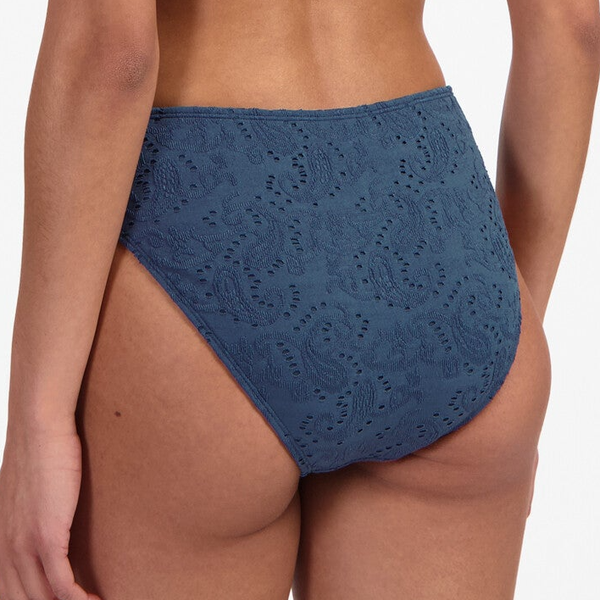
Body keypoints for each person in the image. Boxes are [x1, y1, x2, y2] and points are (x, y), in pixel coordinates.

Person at [0, 0, 598, 598]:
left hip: (209, 211)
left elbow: (112, 52)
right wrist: (497, 333)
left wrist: (37, 424)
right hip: (437, 220)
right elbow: (574, 23)